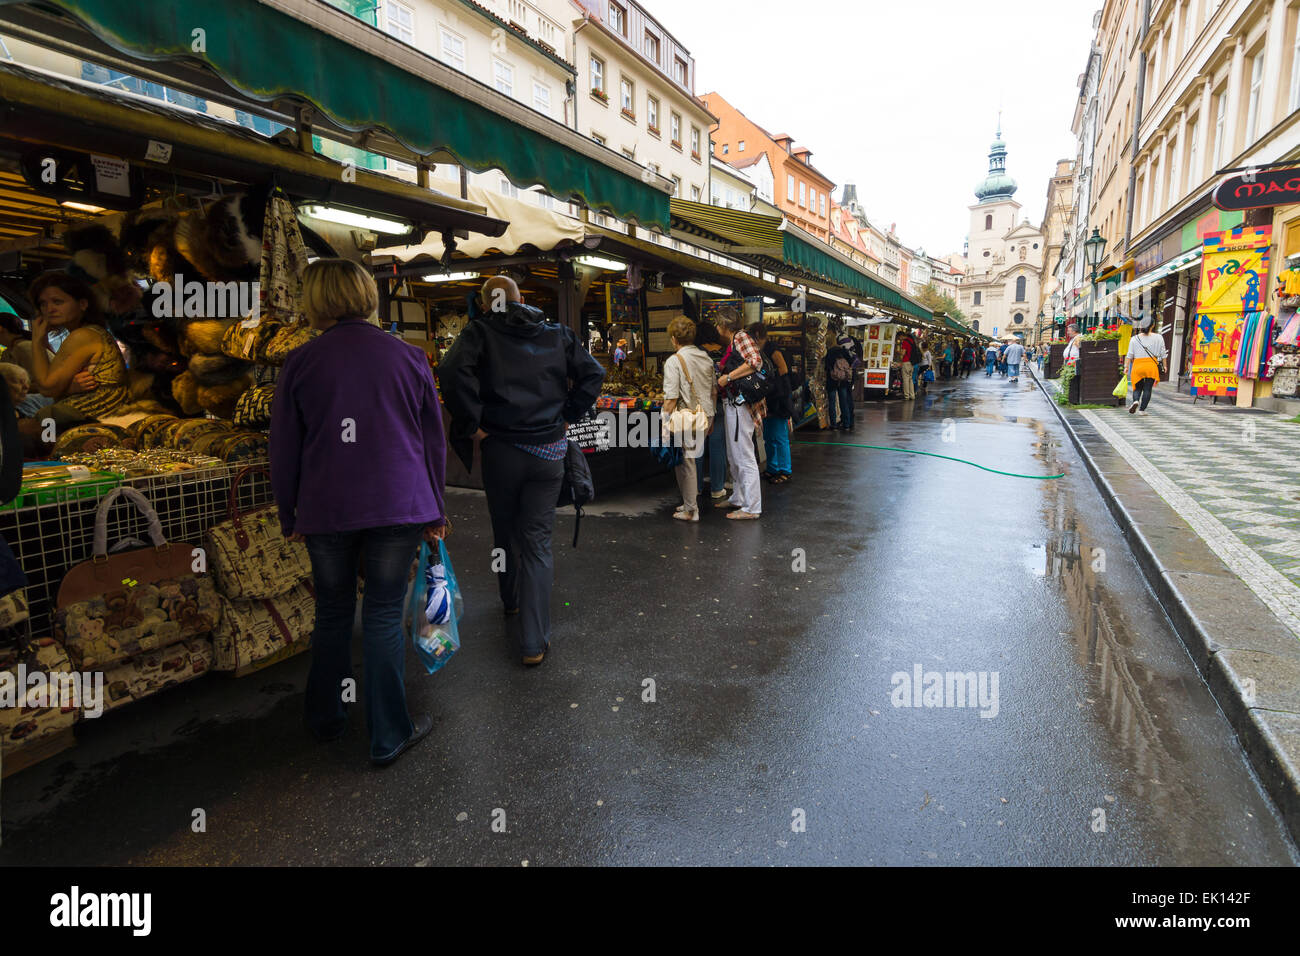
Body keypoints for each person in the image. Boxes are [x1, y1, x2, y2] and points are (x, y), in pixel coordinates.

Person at [270, 258, 448, 767]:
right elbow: (431, 442)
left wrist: (289, 512)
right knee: (384, 616)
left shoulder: (301, 363)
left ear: (316, 300)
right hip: (399, 503)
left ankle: (326, 719)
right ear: (367, 295)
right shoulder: (409, 357)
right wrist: (436, 507)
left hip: (326, 508)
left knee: (331, 613)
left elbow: (283, 448)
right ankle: (389, 735)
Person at [439, 275, 604, 665]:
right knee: (537, 542)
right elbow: (593, 373)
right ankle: (533, 643)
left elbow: (449, 372)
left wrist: (474, 421)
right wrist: (567, 415)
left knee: (504, 528)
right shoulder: (557, 333)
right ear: (521, 299)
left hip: (501, 450)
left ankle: (510, 600)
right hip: (548, 453)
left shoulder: (477, 333)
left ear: (483, 304)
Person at [24, 271, 128, 432]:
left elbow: (47, 387)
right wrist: (67, 388)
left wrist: (37, 341)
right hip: (92, 414)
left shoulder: (83, 335)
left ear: (82, 304)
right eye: (43, 304)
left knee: (26, 431)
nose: (49, 309)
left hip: (91, 419)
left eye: (57, 302)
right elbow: (50, 387)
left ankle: (46, 453)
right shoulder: (92, 331)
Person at [661, 316, 716, 521]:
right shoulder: (706, 358)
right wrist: (711, 418)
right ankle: (688, 502)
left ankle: (691, 510)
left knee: (687, 462)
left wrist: (665, 424)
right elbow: (713, 391)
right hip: (705, 415)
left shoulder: (674, 361)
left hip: (686, 418)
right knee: (689, 459)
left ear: (675, 338)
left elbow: (671, 398)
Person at [712, 305, 763, 519]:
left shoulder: (741, 337)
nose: (715, 327)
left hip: (741, 406)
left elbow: (755, 362)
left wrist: (728, 377)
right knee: (735, 455)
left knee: (744, 455)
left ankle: (752, 507)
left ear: (724, 324)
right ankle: (739, 497)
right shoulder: (735, 340)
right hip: (734, 404)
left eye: (717, 323)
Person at [695, 317, 730, 504]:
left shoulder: (694, 354)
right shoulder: (723, 353)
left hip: (698, 404)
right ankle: (717, 488)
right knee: (718, 447)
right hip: (718, 403)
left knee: (698, 446)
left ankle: (696, 487)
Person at [753, 324, 793, 484]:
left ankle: (785, 470)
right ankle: (772, 468)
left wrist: (769, 384)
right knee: (769, 437)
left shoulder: (772, 349)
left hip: (778, 399)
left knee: (779, 436)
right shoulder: (759, 351)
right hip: (768, 398)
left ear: (757, 335)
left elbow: (783, 371)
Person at [1125, 324, 1168, 416]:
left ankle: (1136, 401)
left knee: (1137, 387)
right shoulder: (1158, 337)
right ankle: (1142, 410)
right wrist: (1165, 366)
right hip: (1151, 365)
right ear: (1152, 326)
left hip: (1138, 365)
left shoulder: (1134, 338)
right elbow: (1163, 353)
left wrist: (1126, 367)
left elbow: (1129, 354)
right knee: (1147, 389)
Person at [824, 338, 854, 430]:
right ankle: (847, 424)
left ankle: (834, 425)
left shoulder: (829, 353)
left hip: (832, 381)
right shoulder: (844, 352)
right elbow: (850, 364)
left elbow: (827, 367)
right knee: (844, 403)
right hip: (843, 381)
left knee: (832, 403)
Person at [897, 334, 917, 400]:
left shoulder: (905, 342)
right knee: (910, 379)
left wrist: (898, 351)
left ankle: (906, 396)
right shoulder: (912, 341)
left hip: (906, 362)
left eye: (899, 338)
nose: (900, 339)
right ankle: (912, 395)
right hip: (912, 363)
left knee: (905, 379)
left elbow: (903, 353)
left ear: (901, 335)